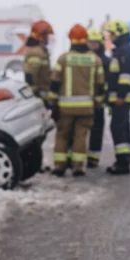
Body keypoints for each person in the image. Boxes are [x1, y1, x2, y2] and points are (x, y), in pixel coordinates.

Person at [47, 24, 106, 176]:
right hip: (86, 108)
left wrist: (52, 103)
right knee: (81, 136)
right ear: (86, 40)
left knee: (62, 135)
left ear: (71, 40)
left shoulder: (63, 59)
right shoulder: (95, 60)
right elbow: (100, 85)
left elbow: (54, 83)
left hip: (65, 108)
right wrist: (98, 103)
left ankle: (59, 166)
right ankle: (77, 167)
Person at [103, 19, 130, 175]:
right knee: (122, 127)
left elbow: (126, 76)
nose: (110, 37)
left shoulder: (125, 51)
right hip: (120, 98)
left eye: (112, 34)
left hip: (121, 99)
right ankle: (123, 161)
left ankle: (123, 163)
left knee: (117, 128)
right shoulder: (122, 50)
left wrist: (120, 96)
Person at [86, 27, 110, 168]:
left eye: (94, 43)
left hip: (98, 102)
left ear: (99, 43)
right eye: (90, 42)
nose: (92, 45)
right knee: (81, 130)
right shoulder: (85, 59)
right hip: (85, 100)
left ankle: (93, 158)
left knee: (97, 130)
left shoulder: (105, 61)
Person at [24, 20, 54, 104]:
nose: (48, 38)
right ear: (41, 36)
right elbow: (30, 74)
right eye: (47, 35)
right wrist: (35, 93)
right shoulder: (36, 52)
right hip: (40, 96)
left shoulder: (40, 51)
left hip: (42, 94)